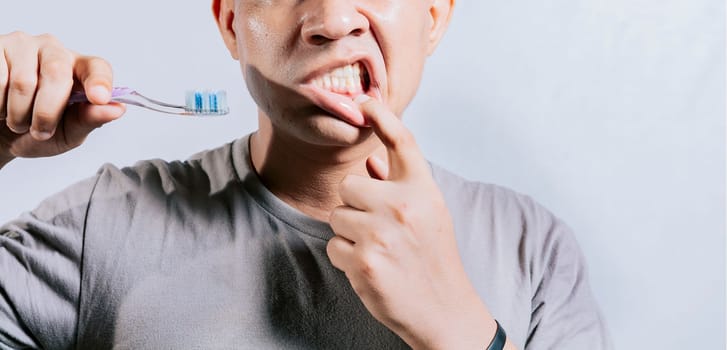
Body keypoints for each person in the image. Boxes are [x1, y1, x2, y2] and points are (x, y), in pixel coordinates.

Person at [0, 0, 611, 349]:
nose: (332, 18)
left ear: (434, 17)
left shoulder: (534, 251)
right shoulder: (97, 228)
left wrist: (457, 328)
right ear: (230, 22)